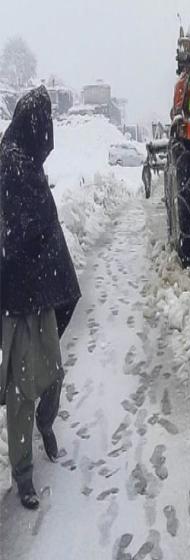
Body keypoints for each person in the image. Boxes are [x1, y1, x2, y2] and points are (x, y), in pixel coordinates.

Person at [0, 85, 80, 509]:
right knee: (19, 389)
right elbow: (17, 231)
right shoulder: (9, 164)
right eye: (45, 128)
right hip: (17, 296)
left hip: (42, 289)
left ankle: (46, 424)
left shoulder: (26, 160)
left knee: (52, 370)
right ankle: (23, 472)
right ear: (34, 127)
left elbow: (42, 224)